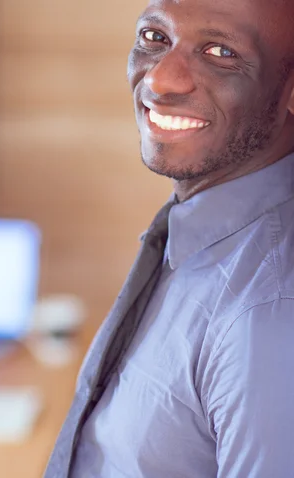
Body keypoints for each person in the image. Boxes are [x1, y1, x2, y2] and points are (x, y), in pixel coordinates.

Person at [46, 0, 294, 476]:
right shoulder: (198, 234)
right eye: (155, 38)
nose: (160, 80)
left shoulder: (267, 310)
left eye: (220, 52)